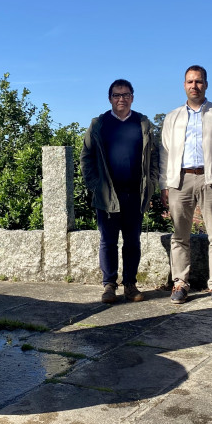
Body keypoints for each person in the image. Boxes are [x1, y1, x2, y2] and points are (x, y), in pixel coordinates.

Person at [160, 65, 212, 304]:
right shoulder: (172, 116)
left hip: (211, 179)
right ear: (184, 85)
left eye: (199, 81)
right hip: (180, 180)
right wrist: (165, 184)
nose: (194, 86)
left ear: (206, 84)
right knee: (179, 235)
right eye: (190, 82)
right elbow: (164, 153)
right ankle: (180, 283)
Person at [81, 79, 160, 304]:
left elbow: (153, 157)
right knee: (108, 242)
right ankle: (109, 286)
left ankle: (130, 285)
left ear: (132, 97)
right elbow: (86, 156)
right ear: (110, 99)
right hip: (108, 194)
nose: (121, 99)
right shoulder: (99, 124)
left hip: (135, 194)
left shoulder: (142, 123)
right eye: (117, 95)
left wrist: (152, 183)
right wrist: (95, 185)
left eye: (125, 95)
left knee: (132, 242)